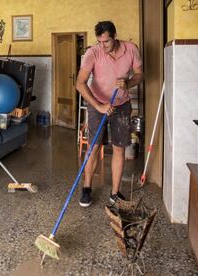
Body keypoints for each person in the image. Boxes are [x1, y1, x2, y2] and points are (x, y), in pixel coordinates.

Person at [76, 21, 143, 207]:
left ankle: (115, 193)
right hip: (98, 103)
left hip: (121, 105)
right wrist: (98, 106)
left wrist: (128, 83)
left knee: (119, 148)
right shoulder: (93, 52)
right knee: (94, 147)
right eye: (99, 41)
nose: (102, 46)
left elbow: (139, 74)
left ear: (114, 36)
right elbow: (80, 83)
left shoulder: (131, 49)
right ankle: (87, 188)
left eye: (106, 41)